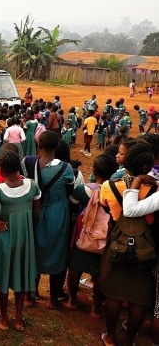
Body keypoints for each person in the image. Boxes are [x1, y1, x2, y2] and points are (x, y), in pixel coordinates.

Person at [99, 143, 156, 346]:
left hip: (117, 242)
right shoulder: (155, 189)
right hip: (145, 248)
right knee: (138, 297)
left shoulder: (109, 185)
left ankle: (111, 336)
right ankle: (129, 340)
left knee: (114, 293)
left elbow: (106, 208)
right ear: (146, 167)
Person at [0, 150, 39, 332]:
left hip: (4, 239)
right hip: (24, 239)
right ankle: (19, 319)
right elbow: (36, 213)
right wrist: (29, 231)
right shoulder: (32, 186)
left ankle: (4, 319)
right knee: (20, 275)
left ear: (0, 169)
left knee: (4, 277)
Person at [22, 131, 75, 310]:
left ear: (39, 146)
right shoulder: (66, 168)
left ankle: (30, 295)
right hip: (57, 214)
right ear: (57, 147)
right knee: (57, 253)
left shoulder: (29, 164)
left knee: (33, 251)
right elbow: (70, 190)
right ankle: (53, 299)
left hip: (34, 211)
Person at [65, 154, 118, 320]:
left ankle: (72, 300)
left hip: (84, 236)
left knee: (74, 268)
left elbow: (73, 207)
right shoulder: (117, 191)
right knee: (100, 275)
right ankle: (95, 309)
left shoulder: (84, 189)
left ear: (94, 171)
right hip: (104, 239)